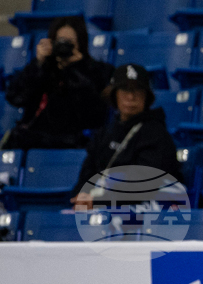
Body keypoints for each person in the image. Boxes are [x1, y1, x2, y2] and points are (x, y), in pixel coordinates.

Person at [69, 63, 183, 210]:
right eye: (125, 89)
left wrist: (99, 201)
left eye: (137, 90)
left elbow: (145, 184)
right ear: (114, 94)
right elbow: (87, 173)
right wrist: (81, 196)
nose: (131, 97)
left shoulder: (157, 135)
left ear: (147, 96)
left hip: (140, 212)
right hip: (101, 207)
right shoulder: (105, 133)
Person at [3, 16, 113, 150]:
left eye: (69, 41)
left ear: (81, 42)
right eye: (60, 41)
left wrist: (77, 68)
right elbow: (15, 97)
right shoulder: (43, 69)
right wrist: (38, 64)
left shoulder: (96, 70)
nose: (64, 46)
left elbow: (95, 116)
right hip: (36, 141)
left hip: (75, 142)